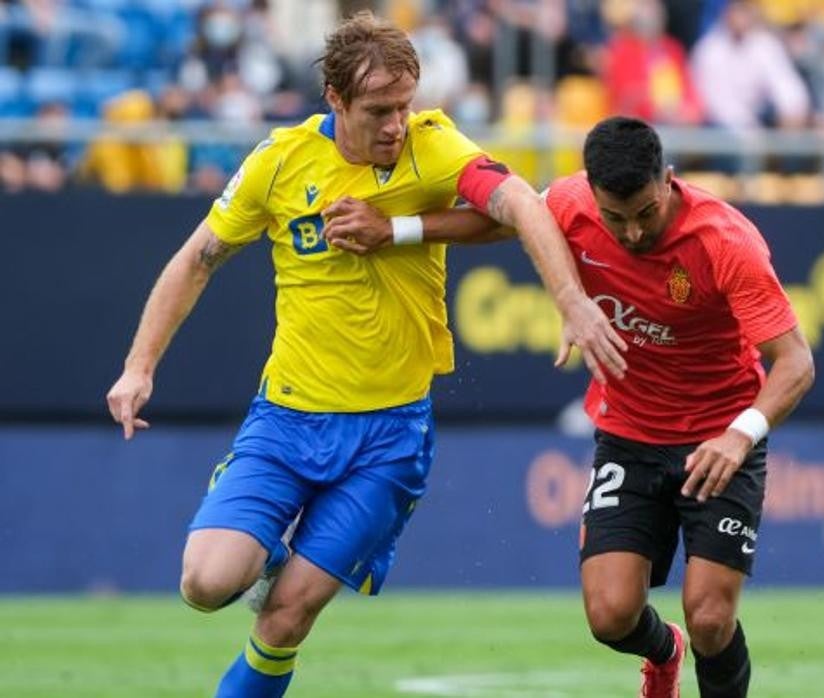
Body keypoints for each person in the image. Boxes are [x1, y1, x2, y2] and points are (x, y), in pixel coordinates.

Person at [104, 12, 625, 698]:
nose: (396, 125)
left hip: (388, 437)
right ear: (335, 100)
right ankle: (261, 552)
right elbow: (198, 257)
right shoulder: (280, 162)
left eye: (404, 106)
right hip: (286, 421)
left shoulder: (431, 148)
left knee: (287, 617)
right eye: (379, 110)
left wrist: (569, 300)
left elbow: (521, 207)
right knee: (205, 584)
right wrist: (140, 366)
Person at [333, 115, 815, 698]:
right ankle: (664, 653)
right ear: (590, 192)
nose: (633, 233)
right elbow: (497, 222)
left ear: (668, 180)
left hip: (719, 442)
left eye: (645, 213)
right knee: (610, 616)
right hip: (630, 434)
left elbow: (795, 362)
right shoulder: (567, 203)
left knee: (711, 618)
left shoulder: (725, 242)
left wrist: (741, 435)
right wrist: (397, 230)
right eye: (616, 218)